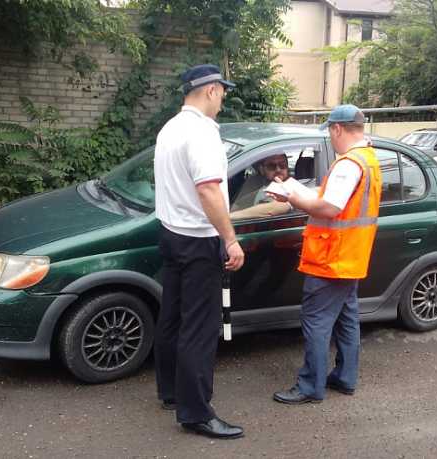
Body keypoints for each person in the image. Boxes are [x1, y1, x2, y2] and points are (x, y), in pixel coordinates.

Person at [153, 64, 245, 439]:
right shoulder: (202, 134)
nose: (223, 98)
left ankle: (172, 392)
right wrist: (230, 239)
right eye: (222, 91)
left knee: (172, 316)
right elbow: (208, 190)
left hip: (172, 233)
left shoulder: (171, 128)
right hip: (198, 239)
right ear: (210, 90)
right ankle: (196, 413)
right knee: (201, 327)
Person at [270, 104, 382, 405]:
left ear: (337, 129)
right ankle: (345, 377)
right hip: (350, 257)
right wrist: (298, 190)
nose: (331, 139)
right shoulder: (369, 159)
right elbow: (338, 201)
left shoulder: (348, 164)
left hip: (330, 260)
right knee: (347, 319)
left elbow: (330, 209)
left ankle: (310, 386)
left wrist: (291, 197)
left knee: (316, 323)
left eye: (330, 132)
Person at [230, 153, 293, 220]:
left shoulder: (294, 186)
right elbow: (237, 205)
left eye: (282, 165)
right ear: (262, 170)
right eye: (271, 166)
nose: (278, 169)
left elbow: (273, 209)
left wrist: (229, 217)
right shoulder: (258, 189)